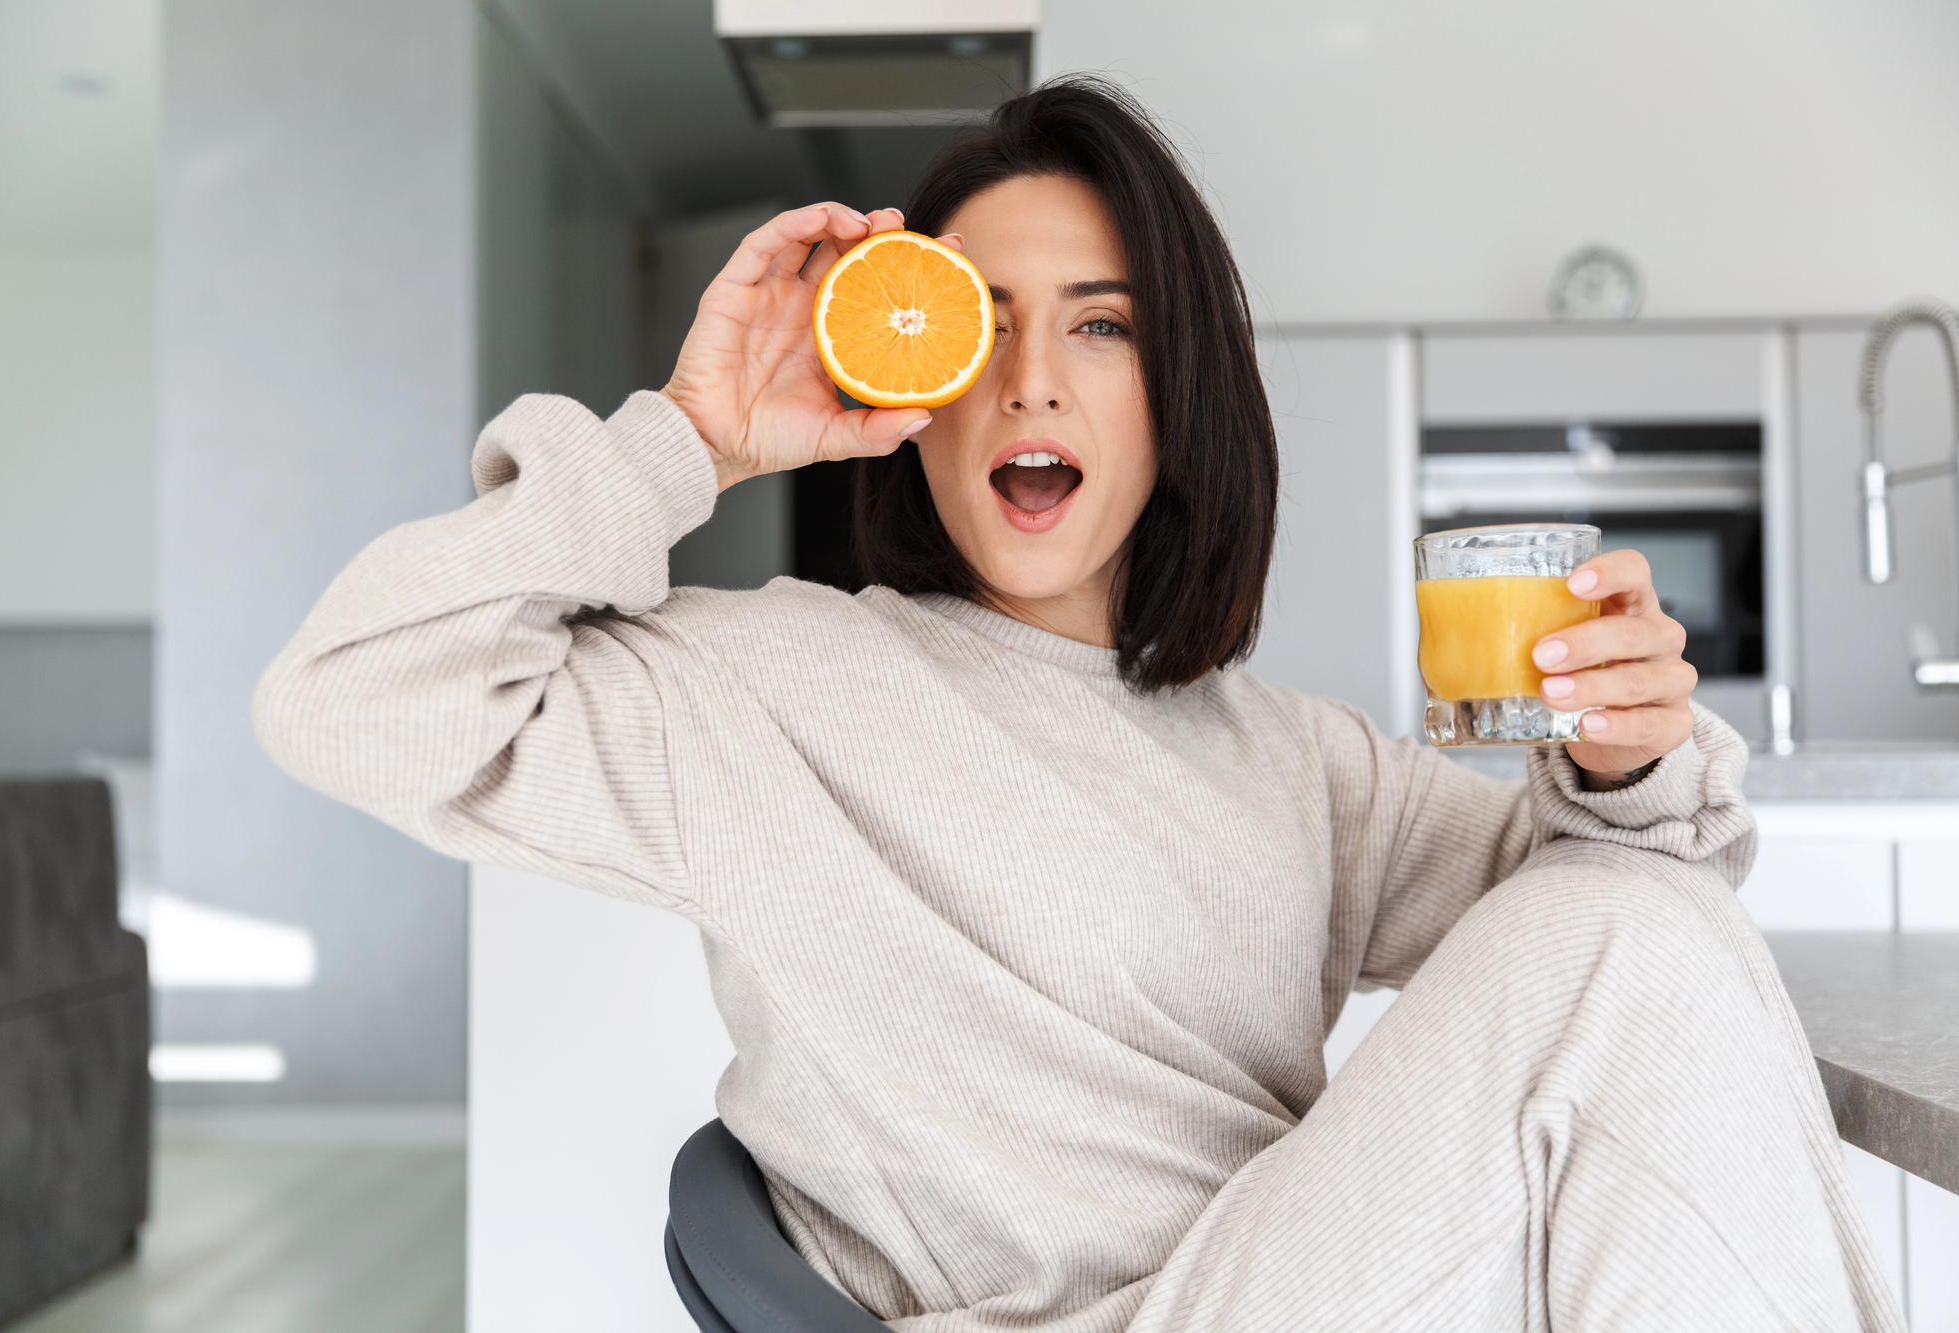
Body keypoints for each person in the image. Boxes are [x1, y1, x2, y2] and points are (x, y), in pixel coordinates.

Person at [255, 78, 1900, 1332]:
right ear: (912, 383)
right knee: (1625, 931)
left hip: (1279, 1290)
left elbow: (1624, 946)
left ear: (1175, 396)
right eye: (979, 327)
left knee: (1628, 916)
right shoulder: (769, 686)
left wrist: (1618, 760)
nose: (1033, 379)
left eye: (1101, 327)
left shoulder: (1296, 761)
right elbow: (347, 695)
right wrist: (688, 435)